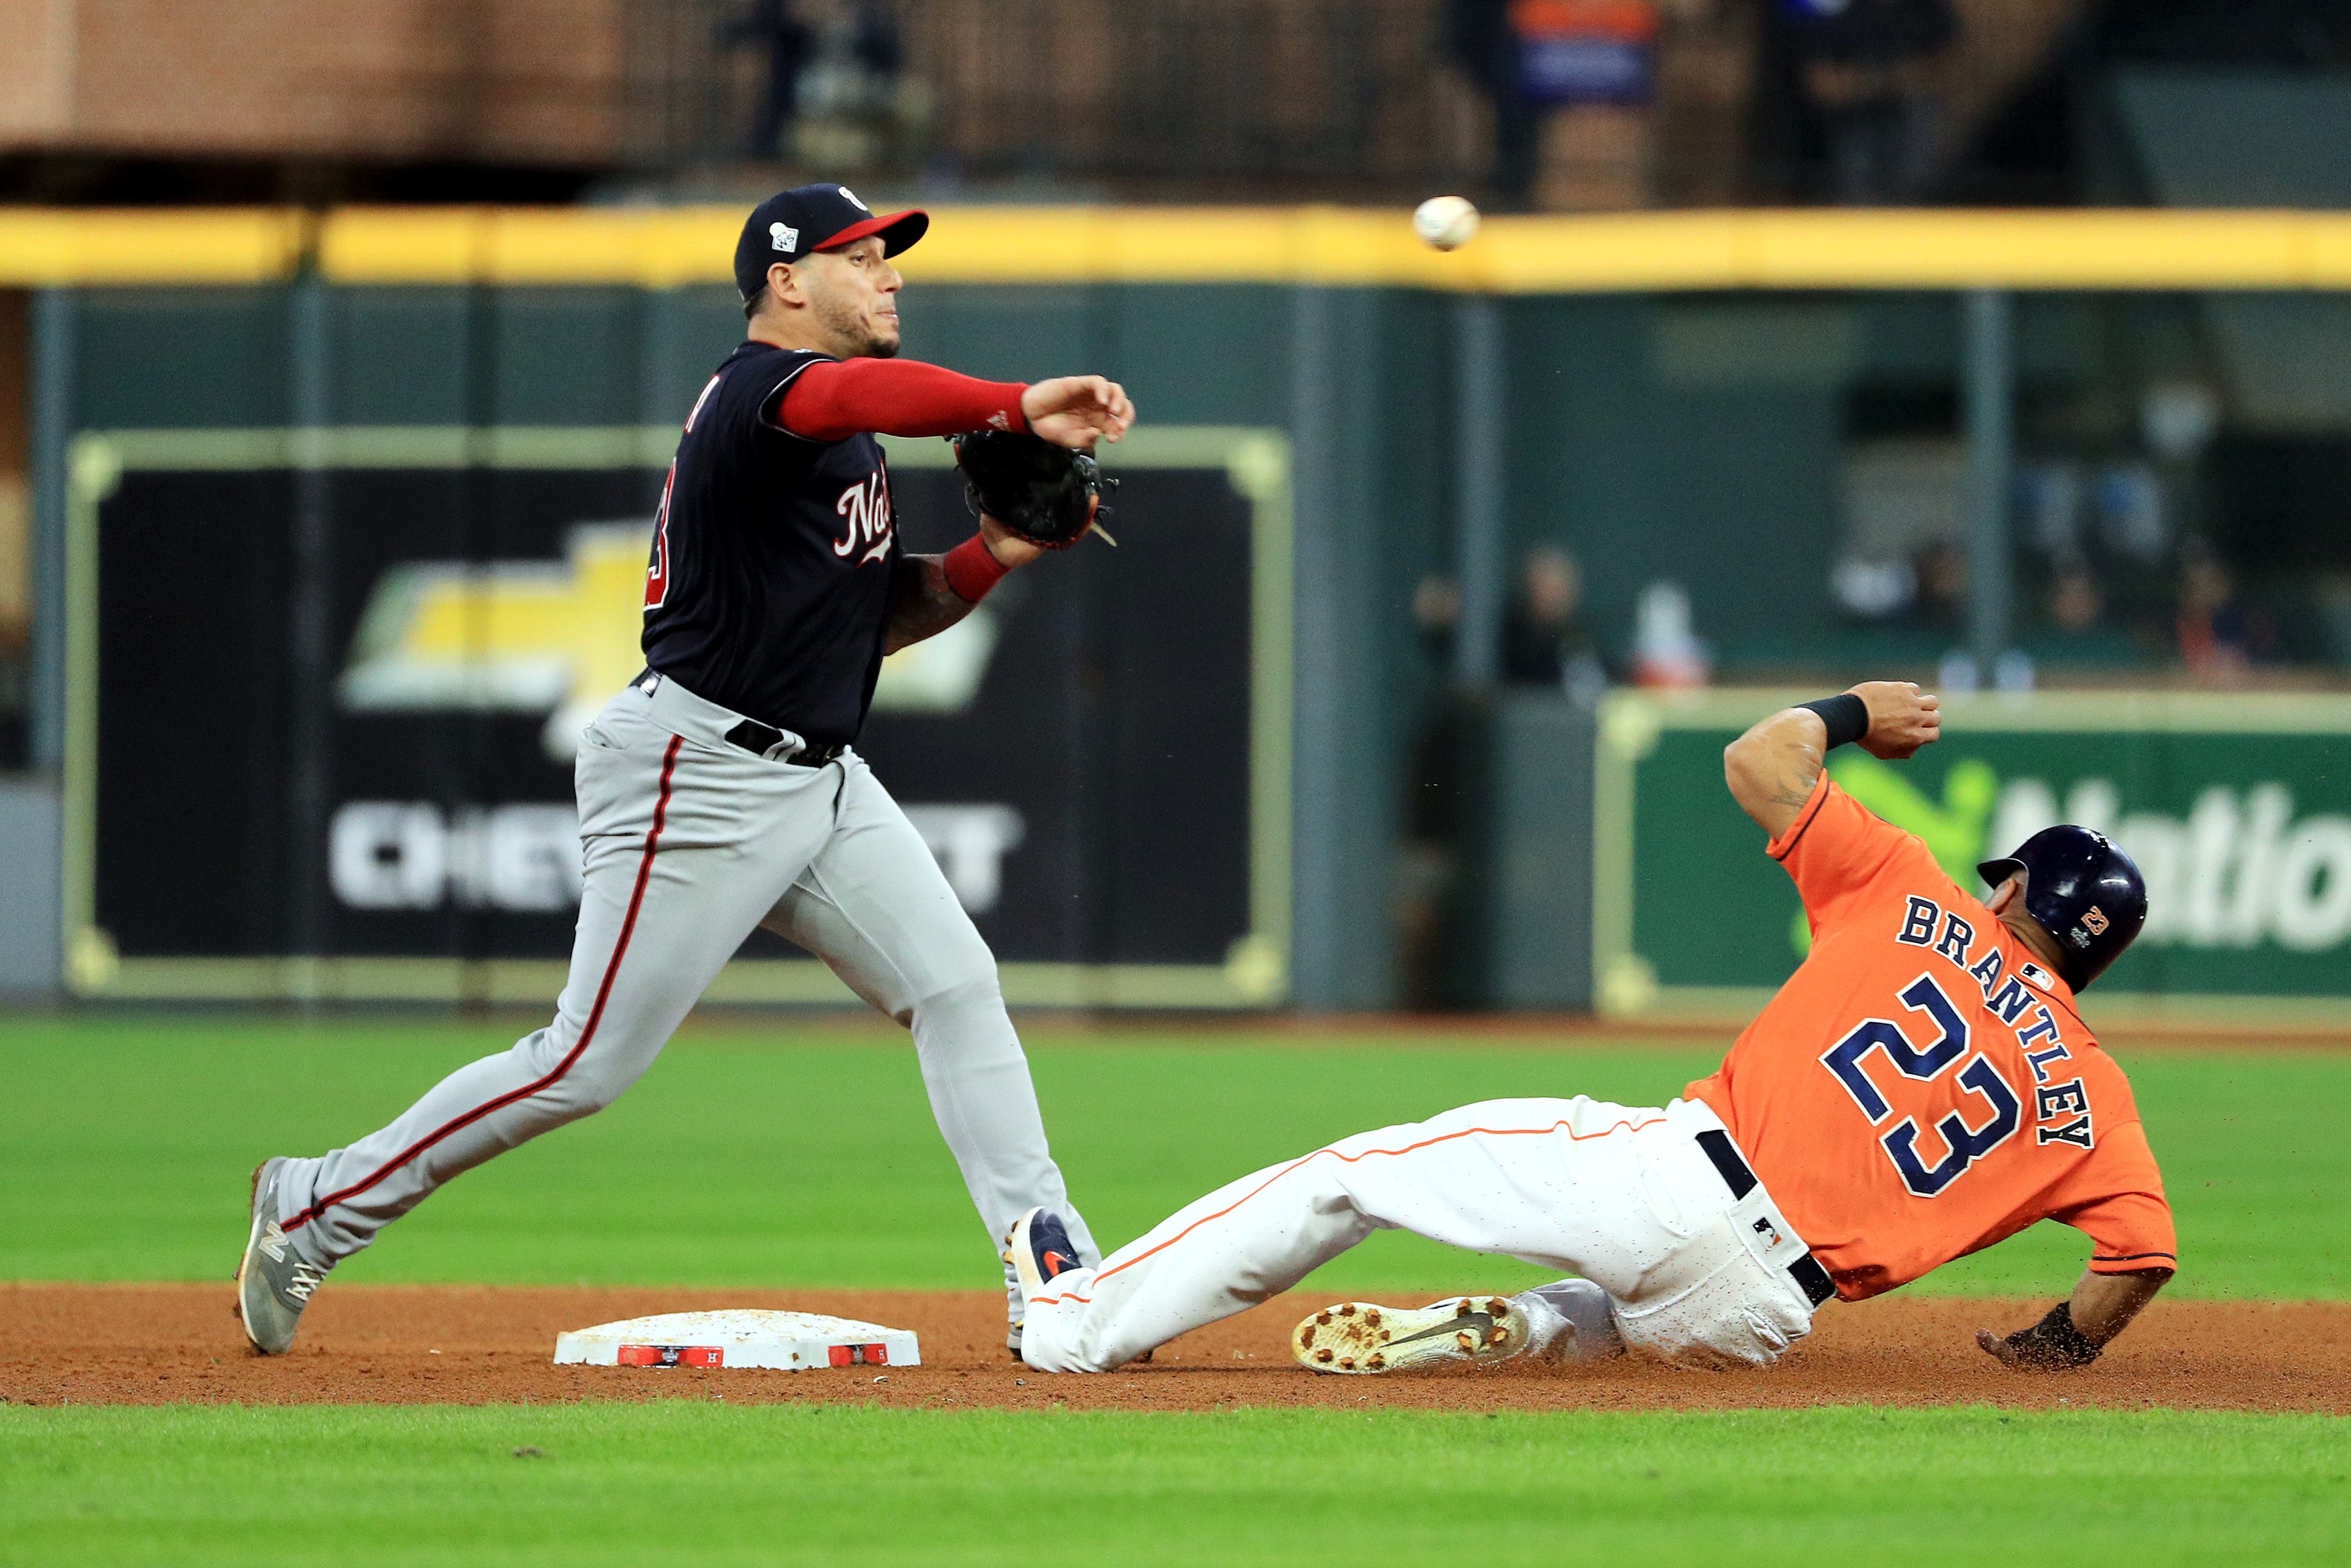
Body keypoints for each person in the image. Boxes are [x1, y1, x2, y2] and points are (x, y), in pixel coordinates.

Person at [238, 184, 1134, 1359]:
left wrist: (996, 552)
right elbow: (856, 390)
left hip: (816, 775)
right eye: (865, 257)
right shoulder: (762, 399)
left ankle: (1050, 1266)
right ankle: (312, 1202)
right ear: (789, 282)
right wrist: (1014, 402)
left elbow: (879, 619)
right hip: (696, 769)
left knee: (956, 986)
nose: (893, 276)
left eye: (890, 259)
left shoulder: (835, 435)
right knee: (583, 1063)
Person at [1005, 680, 2174, 1376]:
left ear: (2022, 895)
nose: (1987, 889)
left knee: (1350, 1178)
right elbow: (2139, 1258)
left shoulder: (1916, 894)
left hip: (1676, 1184)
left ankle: (1080, 1328)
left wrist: (1855, 710)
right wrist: (2058, 1351)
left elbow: (1759, 758)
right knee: (1618, 1315)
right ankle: (1518, 1327)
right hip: (1762, 1313)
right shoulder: (2098, 1097)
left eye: (2003, 881)